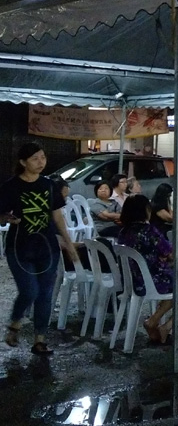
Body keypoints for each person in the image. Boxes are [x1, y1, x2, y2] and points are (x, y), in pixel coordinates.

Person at [0, 142, 79, 355]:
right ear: (23, 162)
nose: (41, 162)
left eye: (43, 157)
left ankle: (40, 340)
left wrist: (69, 245)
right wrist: (5, 217)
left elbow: (57, 216)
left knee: (45, 293)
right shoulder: (10, 186)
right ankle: (15, 322)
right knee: (30, 290)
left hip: (47, 248)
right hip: (19, 248)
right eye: (35, 159)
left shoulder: (49, 184)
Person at [117, 195, 178, 344]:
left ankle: (155, 321)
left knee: (174, 283)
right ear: (145, 211)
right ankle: (164, 325)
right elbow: (171, 254)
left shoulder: (123, 232)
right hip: (153, 282)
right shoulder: (149, 231)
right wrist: (163, 258)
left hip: (133, 282)